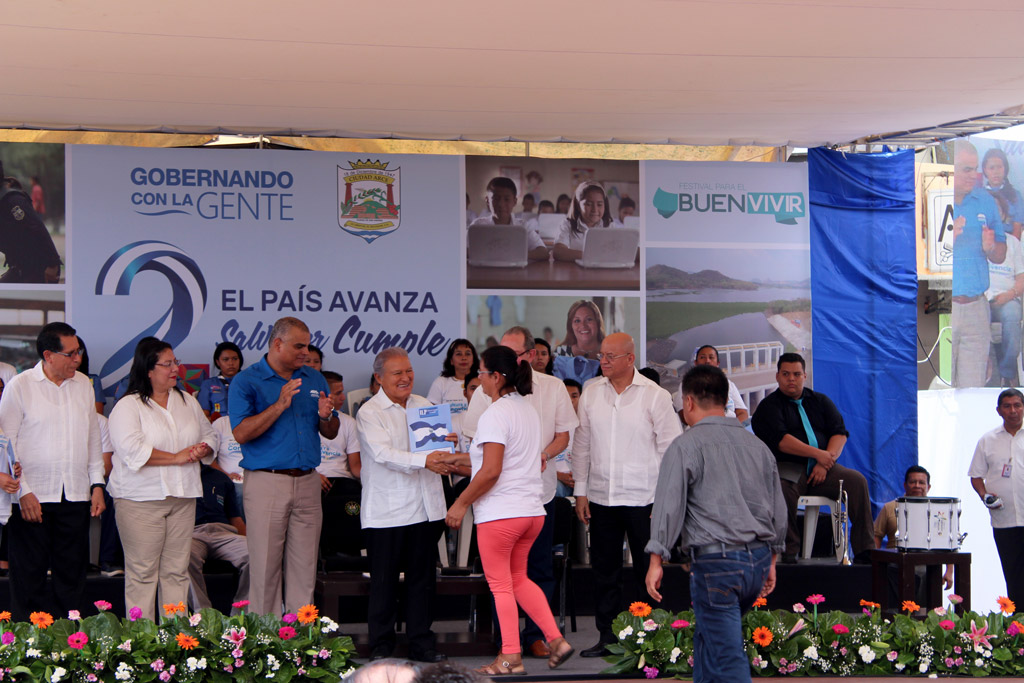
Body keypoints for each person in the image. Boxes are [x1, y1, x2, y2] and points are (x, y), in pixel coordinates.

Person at [645, 364, 786, 683]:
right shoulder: (758, 446)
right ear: (725, 401)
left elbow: (668, 505)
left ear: (689, 402)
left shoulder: (685, 444)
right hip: (758, 561)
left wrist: (656, 558)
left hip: (718, 564)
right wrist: (773, 560)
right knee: (709, 643)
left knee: (726, 653)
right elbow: (778, 506)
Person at [442, 345, 574, 675]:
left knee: (500, 585)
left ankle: (509, 658)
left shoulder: (496, 413)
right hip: (532, 511)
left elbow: (490, 471)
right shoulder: (525, 409)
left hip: (502, 514)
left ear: (497, 377)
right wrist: (458, 460)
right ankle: (557, 639)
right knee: (519, 579)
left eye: (482, 373)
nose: (479, 379)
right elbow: (503, 460)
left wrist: (460, 503)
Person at [572, 333, 682, 657]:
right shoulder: (591, 394)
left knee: (646, 572)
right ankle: (607, 637)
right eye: (601, 356)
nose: (602, 361)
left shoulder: (656, 396)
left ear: (630, 359)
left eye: (609, 356)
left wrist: (664, 502)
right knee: (604, 571)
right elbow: (581, 447)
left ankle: (648, 639)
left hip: (645, 500)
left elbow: (671, 453)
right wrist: (580, 492)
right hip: (601, 498)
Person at [229, 316, 338, 617]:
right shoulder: (247, 380)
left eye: (308, 345)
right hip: (267, 482)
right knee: (265, 569)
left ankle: (299, 645)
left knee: (305, 567)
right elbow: (240, 433)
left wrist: (327, 416)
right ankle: (266, 647)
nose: (306, 352)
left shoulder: (314, 378)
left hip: (307, 481)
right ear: (277, 344)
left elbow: (329, 431)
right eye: (298, 346)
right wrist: (278, 405)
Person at [0, 322, 104, 619]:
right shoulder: (20, 387)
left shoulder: (83, 384)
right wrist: (24, 492)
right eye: (70, 353)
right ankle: (29, 648)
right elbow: (7, 446)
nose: (77, 359)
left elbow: (92, 438)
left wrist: (97, 484)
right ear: (48, 354)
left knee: (72, 576)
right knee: (28, 576)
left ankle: (69, 644)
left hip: (74, 493)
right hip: (32, 497)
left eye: (79, 352)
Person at [108, 338, 215, 621]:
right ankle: (142, 643)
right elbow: (132, 451)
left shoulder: (187, 400)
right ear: (148, 369)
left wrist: (203, 448)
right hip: (140, 500)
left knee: (176, 572)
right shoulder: (128, 406)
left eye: (175, 362)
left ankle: (174, 639)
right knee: (143, 572)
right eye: (166, 364)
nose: (174, 369)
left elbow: (210, 434)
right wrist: (177, 457)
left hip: (182, 497)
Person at [356, 347, 452, 663]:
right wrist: (426, 459)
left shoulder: (426, 406)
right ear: (379, 378)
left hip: (426, 509)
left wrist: (448, 445)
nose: (405, 378)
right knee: (383, 584)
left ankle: (422, 643)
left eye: (409, 371)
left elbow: (441, 452)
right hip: (387, 512)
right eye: (397, 373)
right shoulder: (369, 412)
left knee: (422, 582)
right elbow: (383, 455)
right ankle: (381, 646)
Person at [751, 352, 873, 563]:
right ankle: (789, 552)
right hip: (788, 466)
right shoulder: (768, 407)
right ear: (777, 376)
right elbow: (782, 441)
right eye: (786, 374)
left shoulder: (820, 401)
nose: (791, 378)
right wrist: (819, 455)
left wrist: (825, 464)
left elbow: (839, 433)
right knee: (782, 488)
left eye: (796, 374)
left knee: (856, 481)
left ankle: (865, 553)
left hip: (824, 468)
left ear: (805, 376)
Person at [952, 141, 1007, 388]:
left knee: (971, 391)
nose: (972, 176)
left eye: (975, 169)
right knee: (938, 387)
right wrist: (947, 239)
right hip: (942, 310)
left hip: (976, 307)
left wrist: (991, 248)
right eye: (965, 169)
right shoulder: (931, 196)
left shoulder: (985, 200)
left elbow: (1001, 253)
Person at [968, 388, 1024, 608]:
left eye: (1017, 405)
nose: (1013, 411)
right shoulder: (987, 440)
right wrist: (984, 496)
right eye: (1007, 406)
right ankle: (1018, 629)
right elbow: (975, 476)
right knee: (1013, 574)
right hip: (1005, 520)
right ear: (999, 411)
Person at [873, 465, 954, 595]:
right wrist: (875, 566)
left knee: (925, 609)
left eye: (921, 482)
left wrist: (949, 571)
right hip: (895, 566)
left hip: (929, 565)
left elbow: (948, 542)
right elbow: (876, 536)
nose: (917, 485)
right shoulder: (889, 508)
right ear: (905, 485)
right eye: (913, 482)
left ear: (928, 487)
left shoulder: (938, 511)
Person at [188, 463, 249, 612]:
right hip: (191, 533)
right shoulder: (173, 476)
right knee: (181, 556)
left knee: (258, 554)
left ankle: (242, 616)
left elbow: (235, 517)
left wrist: (249, 540)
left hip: (224, 533)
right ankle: (204, 618)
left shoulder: (219, 477)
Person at [318, 370, 363, 558]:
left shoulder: (349, 423)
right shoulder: (306, 420)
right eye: (337, 393)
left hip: (343, 481)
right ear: (323, 395)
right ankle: (324, 557)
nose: (343, 397)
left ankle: (351, 557)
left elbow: (355, 467)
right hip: (313, 479)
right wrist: (313, 476)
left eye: (342, 392)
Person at [0, 160, 62, 283]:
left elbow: (37, 228)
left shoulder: (12, 200)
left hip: (41, 268)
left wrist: (53, 263)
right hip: (19, 269)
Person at [468, 177, 549, 261]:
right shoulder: (478, 226)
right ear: (487, 200)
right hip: (483, 272)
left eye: (506, 199)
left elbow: (543, 252)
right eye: (496, 198)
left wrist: (517, 254)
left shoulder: (523, 226)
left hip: (515, 273)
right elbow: (462, 250)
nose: (501, 204)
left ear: (514, 201)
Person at [553, 182, 615, 263]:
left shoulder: (609, 225)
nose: (595, 210)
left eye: (599, 204)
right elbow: (558, 252)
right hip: (574, 272)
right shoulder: (567, 224)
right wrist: (592, 256)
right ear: (578, 206)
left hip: (602, 271)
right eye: (588, 204)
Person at [689, 344, 749, 423]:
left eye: (711, 357)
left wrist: (731, 428)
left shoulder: (729, 384)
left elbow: (743, 413)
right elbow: (684, 416)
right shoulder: (687, 385)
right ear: (696, 363)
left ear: (718, 363)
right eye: (702, 357)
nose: (707, 361)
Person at [552, 299, 604, 383]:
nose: (583, 325)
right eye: (577, 321)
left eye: (589, 319)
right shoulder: (559, 352)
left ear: (598, 322)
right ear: (570, 326)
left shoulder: (609, 351)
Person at [427, 339, 479, 416]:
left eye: (468, 354)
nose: (464, 358)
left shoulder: (481, 381)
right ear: (451, 360)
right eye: (459, 354)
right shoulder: (441, 382)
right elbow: (430, 412)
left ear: (473, 359)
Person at [981, 147, 1024, 239]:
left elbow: (1017, 230)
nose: (996, 172)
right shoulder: (978, 196)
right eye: (992, 168)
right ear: (985, 170)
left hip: (1010, 246)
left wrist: (1008, 249)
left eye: (999, 167)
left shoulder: (1015, 196)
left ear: (1005, 168)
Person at [197, 342, 243, 419]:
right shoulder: (208, 384)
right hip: (216, 428)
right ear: (218, 362)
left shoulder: (248, 383)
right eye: (226, 359)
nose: (231, 363)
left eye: (235, 359)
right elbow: (203, 415)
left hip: (245, 427)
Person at [77, 336, 105, 414]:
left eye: (79, 352)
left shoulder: (92, 380)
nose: (75, 357)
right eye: (70, 353)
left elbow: (98, 416)